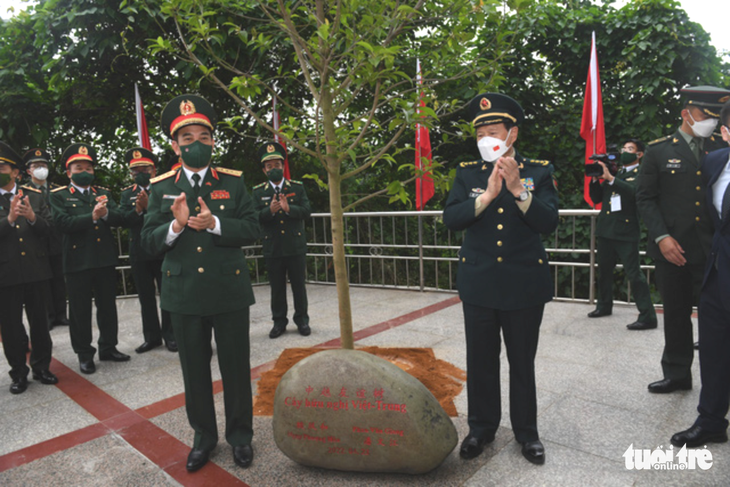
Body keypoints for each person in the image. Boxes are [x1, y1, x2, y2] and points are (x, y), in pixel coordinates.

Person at [141, 94, 259, 472]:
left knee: (236, 369)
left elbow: (253, 227)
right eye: (187, 137)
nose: (197, 143)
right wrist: (175, 225)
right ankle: (203, 439)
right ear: (175, 145)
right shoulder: (160, 188)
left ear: (213, 141)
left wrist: (216, 225)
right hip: (184, 293)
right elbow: (147, 242)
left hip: (229, 291)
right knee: (194, 372)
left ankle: (240, 437)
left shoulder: (234, 182)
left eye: (204, 136)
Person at [443, 93, 558, 465]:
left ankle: (527, 433)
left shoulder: (538, 171)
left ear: (512, 134)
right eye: (479, 134)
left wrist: (518, 191)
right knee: (480, 361)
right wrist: (488, 194)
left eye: (492, 132)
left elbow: (549, 223)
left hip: (524, 284)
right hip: (479, 282)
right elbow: (451, 217)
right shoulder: (467, 172)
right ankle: (481, 429)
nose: (485, 140)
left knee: (522, 362)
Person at [636, 85, 730, 394]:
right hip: (672, 248)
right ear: (686, 114)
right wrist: (662, 237)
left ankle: (716, 385)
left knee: (716, 318)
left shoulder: (721, 146)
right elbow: (645, 199)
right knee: (676, 314)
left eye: (717, 117)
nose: (712, 122)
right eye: (706, 115)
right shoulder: (659, 149)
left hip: (714, 249)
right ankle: (677, 374)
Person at [671, 99, 730, 448]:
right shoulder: (714, 162)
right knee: (713, 352)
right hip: (717, 275)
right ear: (725, 133)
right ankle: (710, 420)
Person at [50, 143, 129, 374]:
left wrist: (106, 216)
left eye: (88, 167)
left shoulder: (102, 193)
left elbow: (120, 218)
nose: (84, 170)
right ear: (68, 172)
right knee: (79, 311)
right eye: (78, 166)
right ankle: (84, 354)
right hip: (77, 262)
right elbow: (62, 224)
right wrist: (91, 217)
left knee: (107, 307)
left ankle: (108, 347)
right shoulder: (60, 196)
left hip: (104, 258)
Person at [0, 141, 58, 394]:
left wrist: (32, 217)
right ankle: (18, 373)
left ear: (15, 172)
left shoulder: (33, 196)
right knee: (11, 327)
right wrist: (10, 219)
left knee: (40, 324)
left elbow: (49, 229)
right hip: (6, 273)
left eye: (2, 166)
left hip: (36, 269)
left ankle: (42, 367)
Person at [587, 138, 657, 330]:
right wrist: (596, 179)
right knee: (604, 272)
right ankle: (604, 306)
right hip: (606, 229)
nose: (624, 151)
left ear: (639, 154)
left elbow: (635, 194)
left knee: (634, 274)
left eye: (630, 148)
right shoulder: (615, 173)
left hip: (626, 231)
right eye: (623, 148)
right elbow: (596, 198)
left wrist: (611, 179)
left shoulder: (640, 172)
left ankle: (648, 316)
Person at [252, 141, 311, 339]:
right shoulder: (258, 192)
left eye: (277, 165)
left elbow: (306, 212)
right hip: (273, 247)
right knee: (276, 288)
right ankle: (279, 322)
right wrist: (269, 211)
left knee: (298, 287)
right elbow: (254, 216)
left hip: (295, 246)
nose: (274, 169)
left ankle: (302, 320)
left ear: (283, 166)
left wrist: (288, 209)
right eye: (269, 166)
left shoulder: (296, 187)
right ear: (264, 170)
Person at [119, 147, 176, 353]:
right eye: (135, 171)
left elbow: (170, 215)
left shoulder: (164, 189)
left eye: (144, 169)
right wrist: (137, 210)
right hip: (139, 251)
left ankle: (171, 336)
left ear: (153, 170)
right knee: (145, 297)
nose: (140, 174)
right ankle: (152, 337)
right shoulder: (127, 194)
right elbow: (122, 219)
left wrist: (149, 206)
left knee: (167, 294)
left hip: (161, 249)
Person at [23, 148, 69, 330]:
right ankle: (48, 316)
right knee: (43, 281)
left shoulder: (58, 189)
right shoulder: (25, 192)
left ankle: (61, 314)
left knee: (59, 278)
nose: (41, 169)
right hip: (37, 241)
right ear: (28, 171)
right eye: (36, 166)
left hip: (57, 239)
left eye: (43, 165)